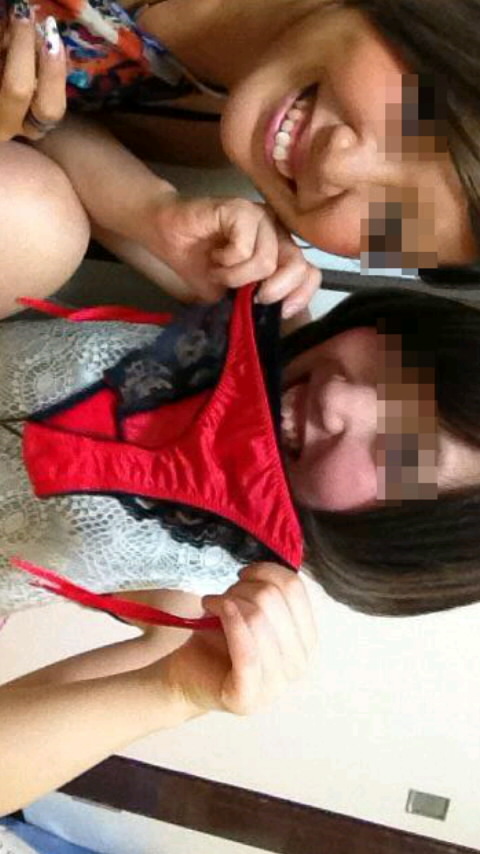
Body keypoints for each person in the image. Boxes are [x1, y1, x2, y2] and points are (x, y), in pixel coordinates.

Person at [3, 279, 480, 813]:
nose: (338, 398)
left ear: (391, 540)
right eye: (400, 370)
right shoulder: (253, 304)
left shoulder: (200, 587)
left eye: (396, 456)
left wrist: (172, 692)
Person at [0, 0, 479, 315]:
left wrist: (155, 215)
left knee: (35, 225)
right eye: (417, 126)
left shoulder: (203, 128)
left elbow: (42, 122)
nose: (336, 168)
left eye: (391, 223)